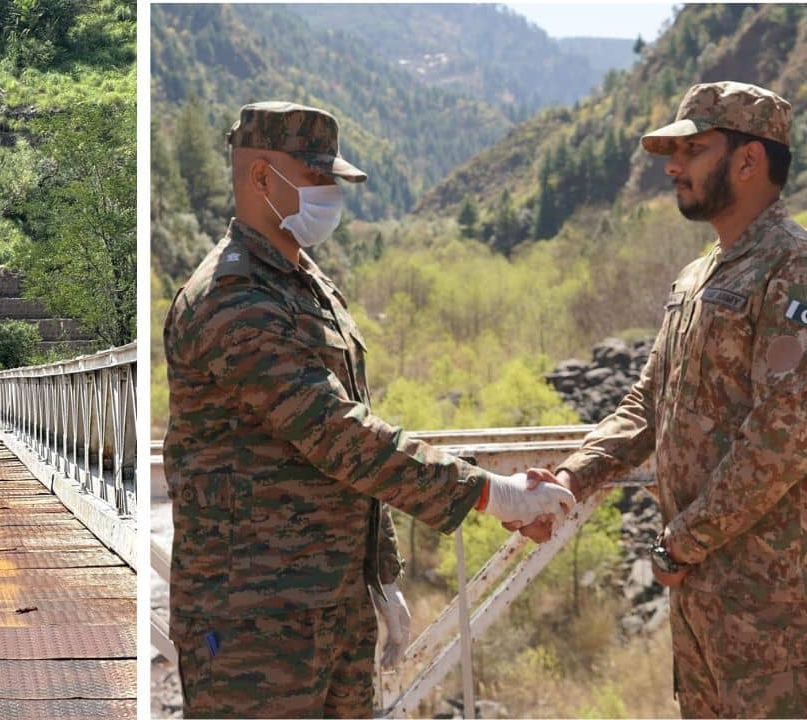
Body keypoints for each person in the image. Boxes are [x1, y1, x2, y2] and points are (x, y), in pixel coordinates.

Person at [162, 100, 575, 719]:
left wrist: (377, 573)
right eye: (317, 176)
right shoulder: (233, 297)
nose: (329, 193)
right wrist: (496, 495)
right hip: (253, 626)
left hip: (333, 606)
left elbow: (351, 445)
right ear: (261, 178)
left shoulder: (307, 285)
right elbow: (338, 433)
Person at [519, 81, 807, 718]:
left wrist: (683, 540)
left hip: (773, 610)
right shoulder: (698, 276)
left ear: (749, 161)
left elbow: (783, 437)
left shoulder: (794, 269)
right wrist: (570, 479)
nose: (673, 167)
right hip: (699, 602)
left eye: (693, 149)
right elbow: (646, 403)